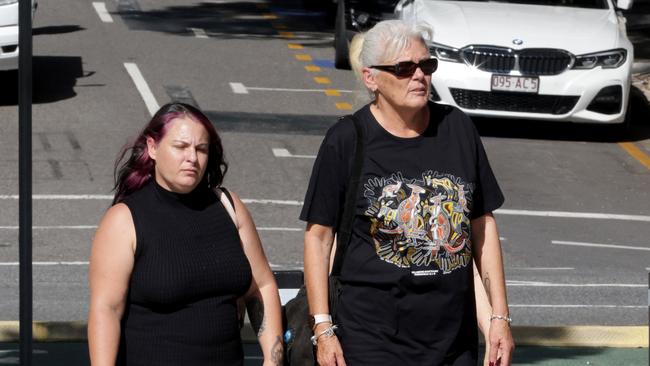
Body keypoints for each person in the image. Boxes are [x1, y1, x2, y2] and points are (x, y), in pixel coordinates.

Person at [301, 20, 514, 366]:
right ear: (371, 78)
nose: (419, 76)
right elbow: (319, 238)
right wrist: (323, 329)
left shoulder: (458, 129)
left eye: (427, 65)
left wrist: (498, 318)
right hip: (371, 340)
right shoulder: (346, 140)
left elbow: (482, 227)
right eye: (404, 68)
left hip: (451, 342)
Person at [88, 103, 284, 366]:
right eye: (180, 147)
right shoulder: (124, 220)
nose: (192, 157)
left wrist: (273, 360)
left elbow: (262, 286)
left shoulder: (228, 206)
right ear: (152, 147)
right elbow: (106, 310)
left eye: (201, 149)